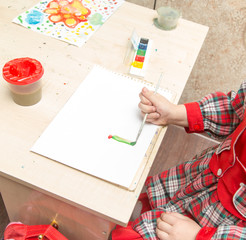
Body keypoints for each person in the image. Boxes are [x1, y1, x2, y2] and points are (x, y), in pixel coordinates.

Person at [110, 81, 246, 240]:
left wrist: (200, 236)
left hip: (214, 228)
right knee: (125, 212)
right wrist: (174, 113)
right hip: (198, 185)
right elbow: (235, 110)